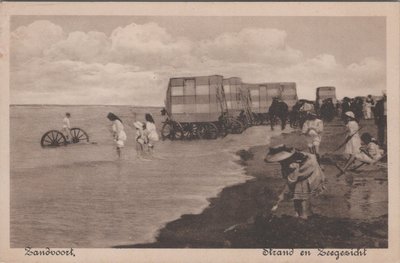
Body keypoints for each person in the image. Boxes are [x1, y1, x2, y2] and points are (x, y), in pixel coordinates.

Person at [265, 145, 325, 220]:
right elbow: (289, 176)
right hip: (301, 172)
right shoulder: (288, 158)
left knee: (301, 195)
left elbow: (292, 180)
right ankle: (298, 213)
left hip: (307, 170)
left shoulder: (292, 164)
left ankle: (303, 215)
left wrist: (283, 193)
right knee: (296, 195)